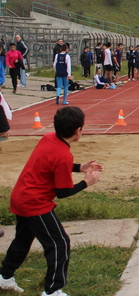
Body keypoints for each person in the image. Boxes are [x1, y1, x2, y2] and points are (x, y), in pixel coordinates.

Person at [0, 106, 103, 296]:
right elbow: (63, 192)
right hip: (35, 203)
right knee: (59, 243)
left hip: (21, 196)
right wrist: (86, 183)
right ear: (77, 131)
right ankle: (52, 290)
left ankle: (4, 276)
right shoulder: (63, 154)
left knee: (22, 240)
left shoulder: (48, 138)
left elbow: (54, 164)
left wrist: (81, 167)